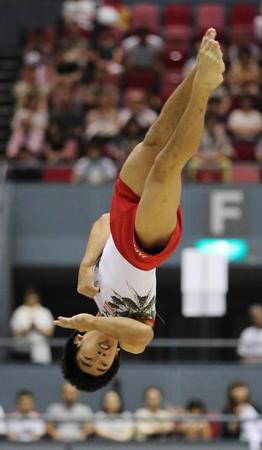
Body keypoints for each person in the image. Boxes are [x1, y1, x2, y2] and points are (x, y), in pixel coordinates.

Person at [55, 28, 225, 391]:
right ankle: (206, 87)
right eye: (105, 364)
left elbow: (103, 223)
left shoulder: (93, 292)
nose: (101, 356)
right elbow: (138, 335)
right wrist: (95, 322)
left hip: (120, 219)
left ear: (76, 341)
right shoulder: (130, 342)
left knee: (156, 137)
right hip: (143, 249)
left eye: (89, 359)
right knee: (167, 166)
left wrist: (85, 266)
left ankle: (197, 69)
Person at [10, 287, 54, 364]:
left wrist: (36, 327)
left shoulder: (44, 312)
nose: (31, 299)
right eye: (29, 297)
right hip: (22, 350)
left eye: (33, 297)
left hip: (40, 350)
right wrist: (28, 328)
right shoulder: (19, 311)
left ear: (37, 298)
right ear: (26, 298)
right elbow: (14, 332)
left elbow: (49, 332)